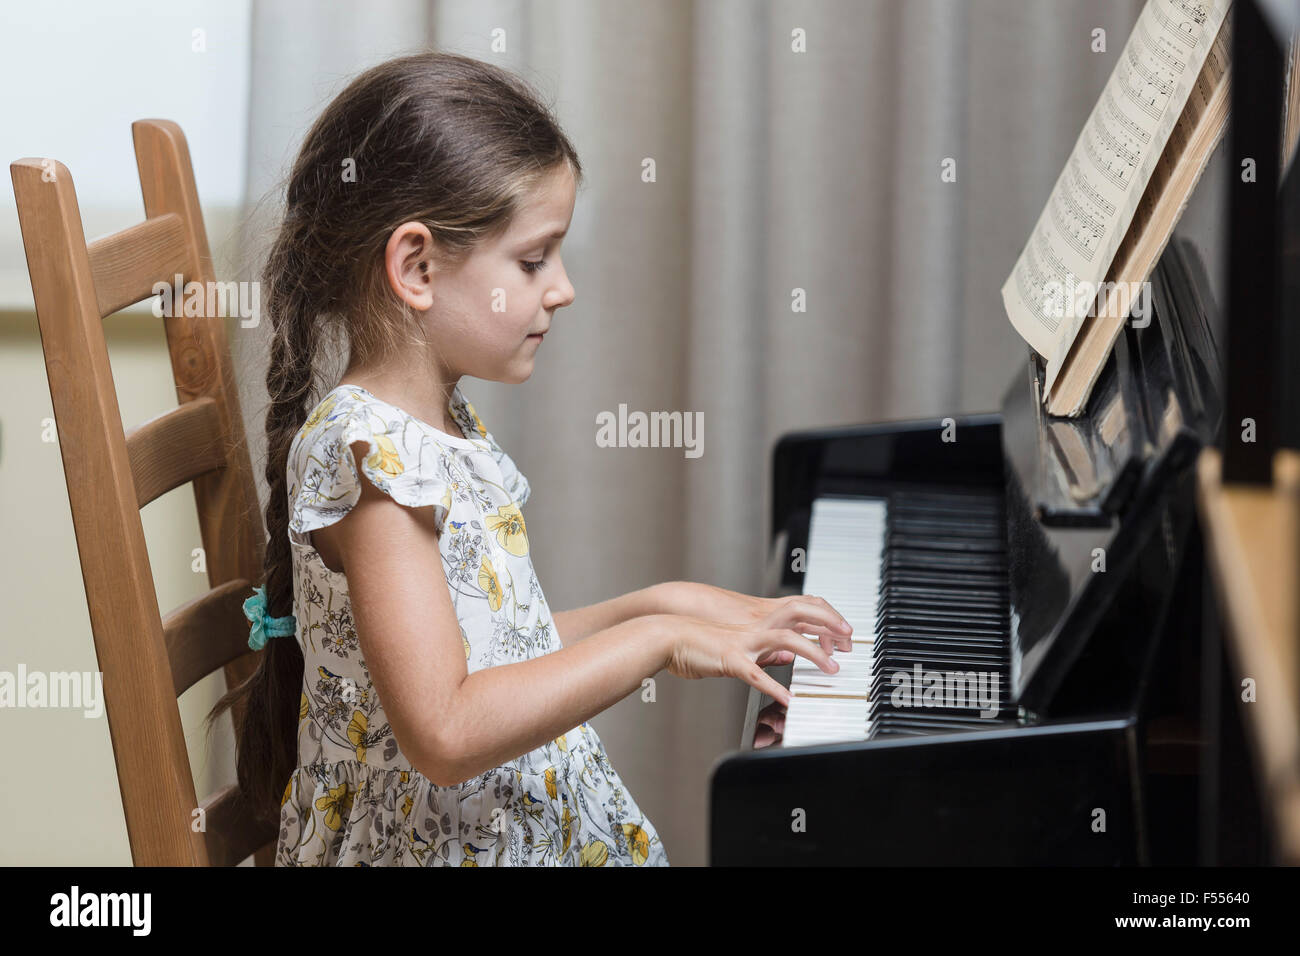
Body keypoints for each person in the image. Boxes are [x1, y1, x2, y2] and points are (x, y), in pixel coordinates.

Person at [207, 51, 851, 867]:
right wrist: (655, 643)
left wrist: (668, 606)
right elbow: (446, 730)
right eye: (534, 259)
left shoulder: (436, 426)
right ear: (417, 267)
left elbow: (499, 648)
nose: (564, 288)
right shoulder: (373, 463)